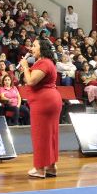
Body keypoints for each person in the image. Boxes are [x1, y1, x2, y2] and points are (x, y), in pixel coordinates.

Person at [20, 38, 62, 178]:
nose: (31, 48)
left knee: (40, 135)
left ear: (42, 48)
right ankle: (51, 167)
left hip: (44, 102)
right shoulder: (47, 62)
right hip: (50, 100)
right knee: (50, 134)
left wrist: (25, 66)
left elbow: (31, 81)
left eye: (34, 46)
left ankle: (39, 169)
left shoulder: (44, 62)